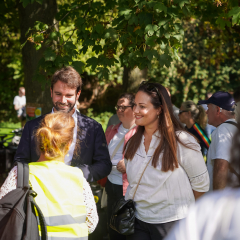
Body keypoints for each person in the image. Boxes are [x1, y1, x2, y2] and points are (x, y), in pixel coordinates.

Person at [123, 82, 209, 240]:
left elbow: (201, 186)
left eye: (142, 106)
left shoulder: (182, 141)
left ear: (159, 109)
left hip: (173, 223)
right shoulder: (133, 141)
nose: (135, 110)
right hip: (138, 221)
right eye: (134, 105)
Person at [0, 112, 98, 238]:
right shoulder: (78, 177)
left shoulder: (20, 174)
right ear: (69, 144)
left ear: (40, 139)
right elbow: (91, 223)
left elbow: (3, 214)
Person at [14, 66, 112, 182]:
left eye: (69, 95)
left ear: (78, 94)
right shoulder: (32, 126)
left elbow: (104, 165)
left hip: (77, 192)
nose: (63, 100)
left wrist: (76, 174)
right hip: (39, 192)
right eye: (58, 94)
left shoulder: (93, 128)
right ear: (51, 92)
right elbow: (20, 161)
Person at [165, 122, 240, 240]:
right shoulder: (188, 128)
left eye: (182, 112)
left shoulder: (199, 127)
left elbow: (207, 144)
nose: (179, 115)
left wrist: (216, 204)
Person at [104, 93, 137, 240]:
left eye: (123, 107)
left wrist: (129, 164)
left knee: (126, 230)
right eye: (118, 107)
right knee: (112, 228)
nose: (119, 110)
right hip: (111, 184)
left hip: (128, 189)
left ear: (134, 108)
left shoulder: (142, 132)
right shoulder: (112, 129)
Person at [198, 91, 238, 191]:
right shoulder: (236, 129)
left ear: (217, 109)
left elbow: (221, 167)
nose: (206, 111)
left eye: (208, 107)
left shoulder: (222, 130)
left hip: (227, 199)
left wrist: (217, 201)